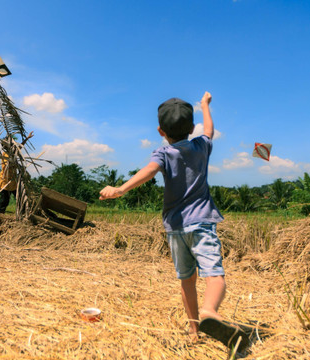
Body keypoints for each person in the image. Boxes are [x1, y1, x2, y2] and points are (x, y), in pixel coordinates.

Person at [99, 92, 225, 341]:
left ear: (160, 131)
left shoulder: (163, 154)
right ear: (191, 128)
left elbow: (148, 171)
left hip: (175, 228)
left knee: (187, 281)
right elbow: (209, 129)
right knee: (215, 275)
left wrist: (121, 189)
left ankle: (194, 331)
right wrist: (205, 106)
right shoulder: (202, 146)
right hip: (201, 224)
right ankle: (210, 311)